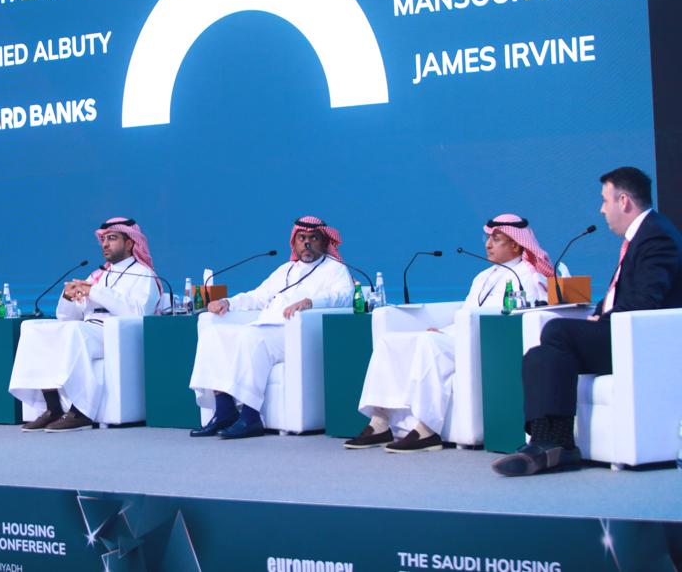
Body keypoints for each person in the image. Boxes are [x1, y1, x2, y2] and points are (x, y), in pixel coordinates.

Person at [493, 167, 682, 476]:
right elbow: (626, 294)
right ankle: (550, 443)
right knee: (541, 356)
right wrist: (600, 314)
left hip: (641, 341)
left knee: (556, 329)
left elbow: (646, 301)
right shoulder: (643, 236)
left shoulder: (656, 236)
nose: (601, 210)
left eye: (605, 201)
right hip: (621, 332)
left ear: (624, 201)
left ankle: (554, 444)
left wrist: (602, 320)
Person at [347, 214, 553, 453]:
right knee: (390, 342)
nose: (488, 245)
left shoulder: (529, 275)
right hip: (463, 336)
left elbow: (523, 312)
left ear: (516, 244)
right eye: (487, 238)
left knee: (430, 343)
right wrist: (445, 331)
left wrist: (448, 334)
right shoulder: (484, 276)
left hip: (492, 341)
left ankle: (426, 430)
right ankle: (380, 423)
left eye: (496, 240)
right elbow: (466, 313)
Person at [189, 216, 354, 440]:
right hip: (264, 328)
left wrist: (311, 302)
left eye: (313, 238)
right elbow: (259, 296)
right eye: (301, 238)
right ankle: (224, 411)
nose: (307, 243)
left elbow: (344, 296)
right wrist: (228, 302)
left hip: (295, 334)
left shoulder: (335, 269)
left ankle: (250, 416)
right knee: (214, 333)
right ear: (294, 242)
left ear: (325, 242)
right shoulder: (286, 269)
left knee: (252, 335)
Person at [9, 217, 159, 432]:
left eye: (112, 238)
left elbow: (139, 312)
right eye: (103, 239)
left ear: (129, 243)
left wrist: (94, 291)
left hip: (113, 333)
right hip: (87, 328)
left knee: (75, 331)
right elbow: (66, 317)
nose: (105, 244)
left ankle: (81, 412)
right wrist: (68, 297)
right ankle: (53, 408)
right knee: (34, 329)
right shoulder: (98, 274)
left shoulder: (143, 274)